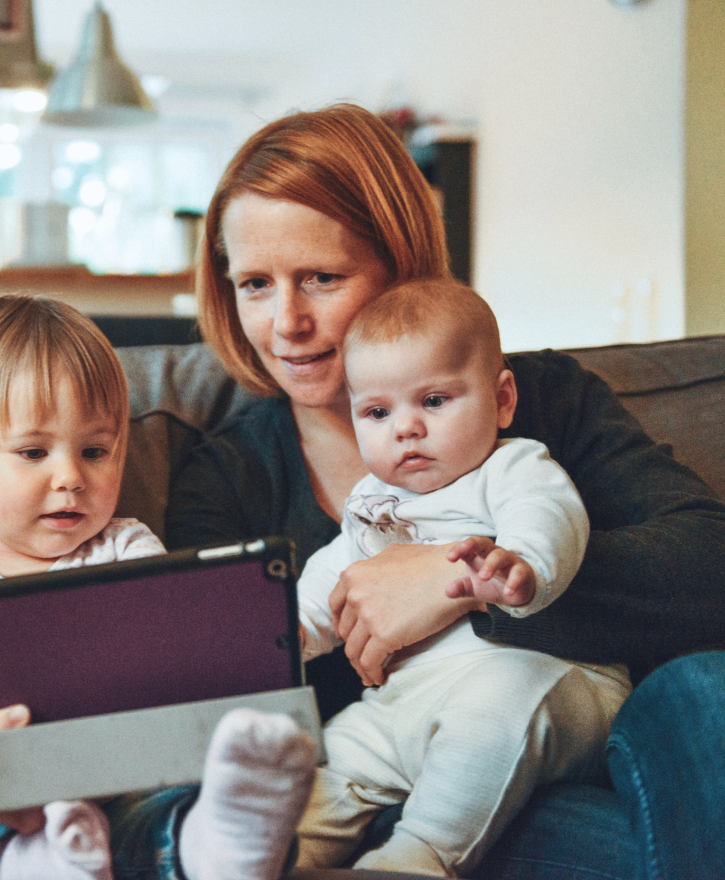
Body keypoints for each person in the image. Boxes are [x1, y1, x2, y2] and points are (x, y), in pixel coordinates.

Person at [166, 103, 725, 878]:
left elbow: (708, 562)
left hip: (575, 751)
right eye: (255, 284)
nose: (286, 321)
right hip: (381, 788)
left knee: (707, 688)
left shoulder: (539, 400)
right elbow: (215, 693)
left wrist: (459, 580)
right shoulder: (227, 479)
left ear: (401, 266)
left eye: (321, 278)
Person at [0, 294, 317, 880]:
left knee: (209, 773)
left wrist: (242, 647)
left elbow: (170, 676)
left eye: (95, 451)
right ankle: (18, 865)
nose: (71, 477)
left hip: (120, 790)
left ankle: (207, 849)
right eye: (33, 452)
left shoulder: (128, 549)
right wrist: (7, 770)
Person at [292, 278, 630, 875]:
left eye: (434, 401)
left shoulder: (511, 465)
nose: (406, 428)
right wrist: (290, 630)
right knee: (333, 755)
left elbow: (548, 515)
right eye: (377, 411)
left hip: (540, 682)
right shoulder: (373, 499)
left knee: (490, 713)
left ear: (502, 400)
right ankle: (278, 856)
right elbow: (335, 572)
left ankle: (416, 857)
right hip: (405, 702)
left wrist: (521, 565)